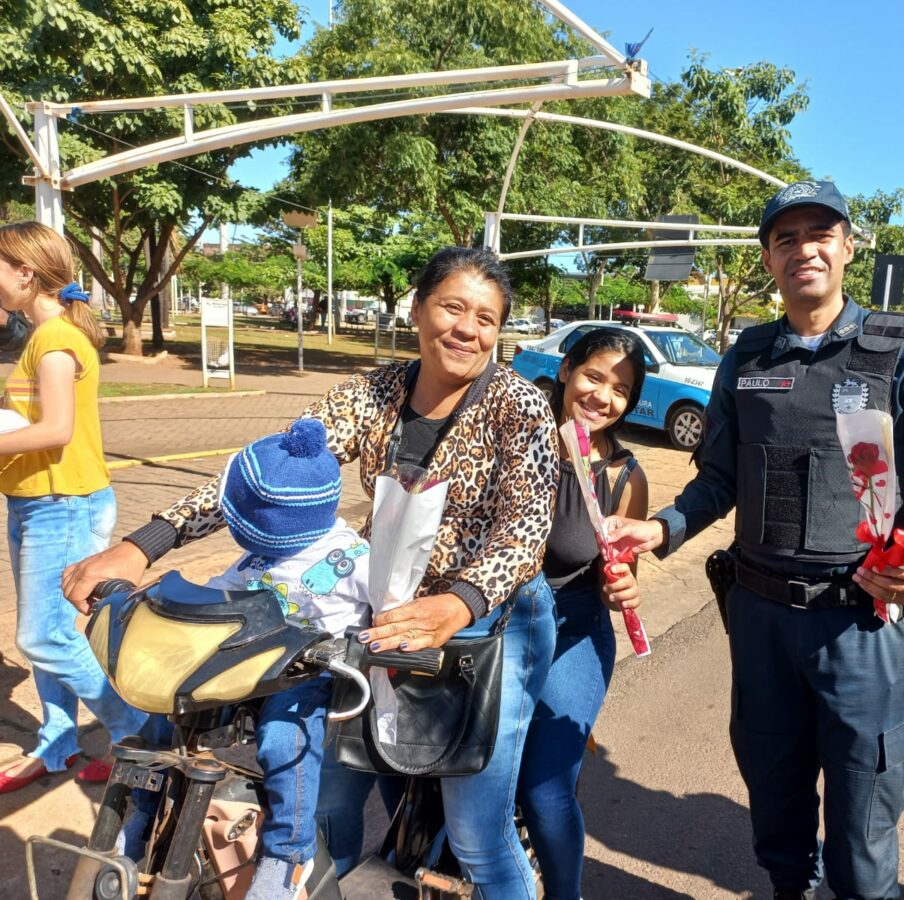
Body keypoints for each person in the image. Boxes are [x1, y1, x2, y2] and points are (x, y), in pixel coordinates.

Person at [63, 247, 559, 898]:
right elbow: (272, 474)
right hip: (379, 613)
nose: (468, 329)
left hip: (489, 623)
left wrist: (458, 605)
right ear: (417, 309)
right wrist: (146, 543)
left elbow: (524, 533)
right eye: (453, 307)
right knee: (325, 804)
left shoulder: (519, 407)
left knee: (475, 834)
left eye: (487, 319)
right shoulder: (375, 394)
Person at [607, 181, 904, 900]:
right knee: (776, 805)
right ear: (769, 258)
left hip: (861, 621)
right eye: (786, 238)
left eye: (820, 233)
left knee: (863, 825)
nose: (805, 249)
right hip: (762, 618)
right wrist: (661, 528)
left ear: (848, 247)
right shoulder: (749, 355)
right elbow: (717, 478)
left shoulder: (903, 349)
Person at [116, 418, 372, 898]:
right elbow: (218, 595)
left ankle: (286, 855)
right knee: (163, 709)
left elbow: (390, 603)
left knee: (284, 741)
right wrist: (162, 603)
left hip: (303, 673)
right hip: (248, 666)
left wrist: (376, 638)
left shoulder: (351, 556)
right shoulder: (257, 559)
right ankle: (143, 813)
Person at [0, 222, 146, 793]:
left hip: (62, 504)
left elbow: (56, 429)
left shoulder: (56, 341)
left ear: (25, 272)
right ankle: (58, 743)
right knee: (52, 634)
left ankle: (138, 733)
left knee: (44, 638)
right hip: (37, 500)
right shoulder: (42, 334)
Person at [516, 328, 649, 900]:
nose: (602, 396)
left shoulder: (623, 475)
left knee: (545, 792)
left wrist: (621, 585)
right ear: (567, 369)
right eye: (594, 376)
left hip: (573, 635)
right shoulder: (515, 439)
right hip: (490, 631)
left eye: (620, 390)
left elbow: (617, 583)